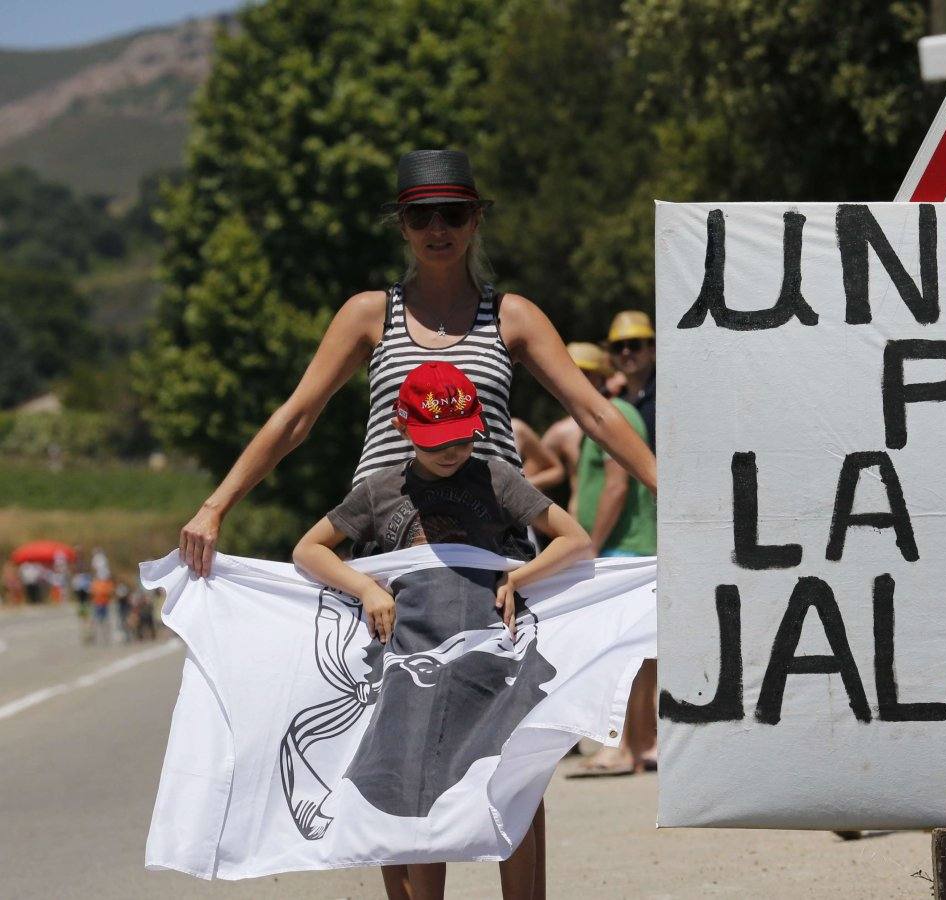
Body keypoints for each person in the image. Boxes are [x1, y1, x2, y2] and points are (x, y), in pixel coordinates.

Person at [176, 149, 656, 898]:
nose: (438, 229)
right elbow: (299, 415)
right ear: (401, 224)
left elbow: (592, 411)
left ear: (477, 219)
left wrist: (676, 493)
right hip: (392, 569)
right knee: (402, 767)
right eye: (421, 215)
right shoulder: (372, 315)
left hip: (496, 567)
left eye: (453, 214)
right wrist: (217, 503)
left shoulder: (515, 316)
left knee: (513, 765)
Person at [294, 362, 591, 900]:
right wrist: (366, 588)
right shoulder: (377, 491)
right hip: (410, 667)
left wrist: (520, 574)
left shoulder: (496, 477)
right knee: (412, 790)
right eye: (438, 443)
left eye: (462, 438)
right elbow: (308, 548)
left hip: (494, 665)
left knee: (511, 781)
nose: (453, 452)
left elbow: (575, 539)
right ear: (400, 425)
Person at [567, 363, 657, 778]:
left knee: (620, 656)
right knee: (636, 656)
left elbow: (618, 485)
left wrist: (590, 547)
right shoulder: (612, 411)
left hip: (623, 549)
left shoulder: (611, 413)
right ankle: (640, 745)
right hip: (626, 547)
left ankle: (618, 747)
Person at [540, 342, 613, 506]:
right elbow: (530, 473)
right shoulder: (561, 431)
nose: (576, 380)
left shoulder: (622, 416)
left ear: (602, 377)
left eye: (585, 373)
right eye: (571, 373)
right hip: (579, 522)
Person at [607, 311, 656, 449]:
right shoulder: (613, 401)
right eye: (618, 346)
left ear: (652, 348)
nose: (626, 352)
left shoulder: (668, 393)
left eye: (634, 345)